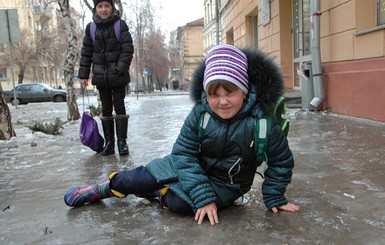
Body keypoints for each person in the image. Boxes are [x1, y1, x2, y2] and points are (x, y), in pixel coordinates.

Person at [65, 44, 300, 225]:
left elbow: (281, 162)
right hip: (185, 166)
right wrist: (201, 193)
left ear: (245, 90)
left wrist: (274, 197)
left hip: (225, 185)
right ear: (205, 94)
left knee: (180, 204)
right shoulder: (201, 114)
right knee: (135, 179)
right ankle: (103, 189)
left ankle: (159, 192)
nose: (223, 101)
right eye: (214, 94)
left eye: (230, 92)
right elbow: (183, 153)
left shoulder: (262, 123)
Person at [78, 0, 134, 156]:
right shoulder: (91, 28)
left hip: (118, 76)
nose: (103, 10)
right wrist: (83, 74)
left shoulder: (119, 25)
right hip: (101, 77)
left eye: (107, 6)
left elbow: (127, 49)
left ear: (112, 8)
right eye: (100, 6)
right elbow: (86, 52)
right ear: (96, 9)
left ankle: (122, 143)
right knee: (106, 108)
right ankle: (109, 144)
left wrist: (119, 68)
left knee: (119, 107)